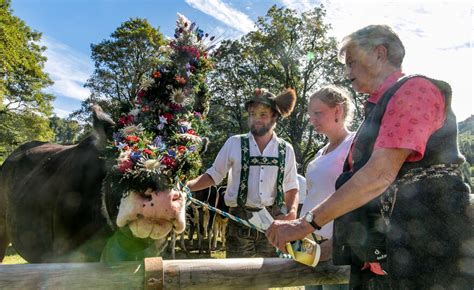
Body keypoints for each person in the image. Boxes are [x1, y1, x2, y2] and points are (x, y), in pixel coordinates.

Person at [266, 24, 472, 289]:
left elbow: (378, 175)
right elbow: (367, 194)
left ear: (379, 53)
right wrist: (326, 250)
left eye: (351, 62)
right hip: (391, 261)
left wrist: (304, 225)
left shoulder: (414, 90)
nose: (346, 72)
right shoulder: (377, 110)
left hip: (428, 254)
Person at [186, 88, 300, 258]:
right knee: (237, 279)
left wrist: (292, 211)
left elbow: (291, 187)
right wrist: (185, 186)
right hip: (238, 224)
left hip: (271, 225)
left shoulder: (286, 149)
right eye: (252, 114)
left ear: (275, 116)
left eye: (263, 114)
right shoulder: (234, 143)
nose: (255, 120)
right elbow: (214, 174)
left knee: (266, 279)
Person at [302, 85, 355, 290]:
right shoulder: (320, 153)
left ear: (338, 111)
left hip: (336, 248)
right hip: (310, 245)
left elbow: (359, 197)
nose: (312, 119)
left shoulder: (354, 144)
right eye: (310, 114)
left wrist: (335, 243)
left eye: (318, 113)